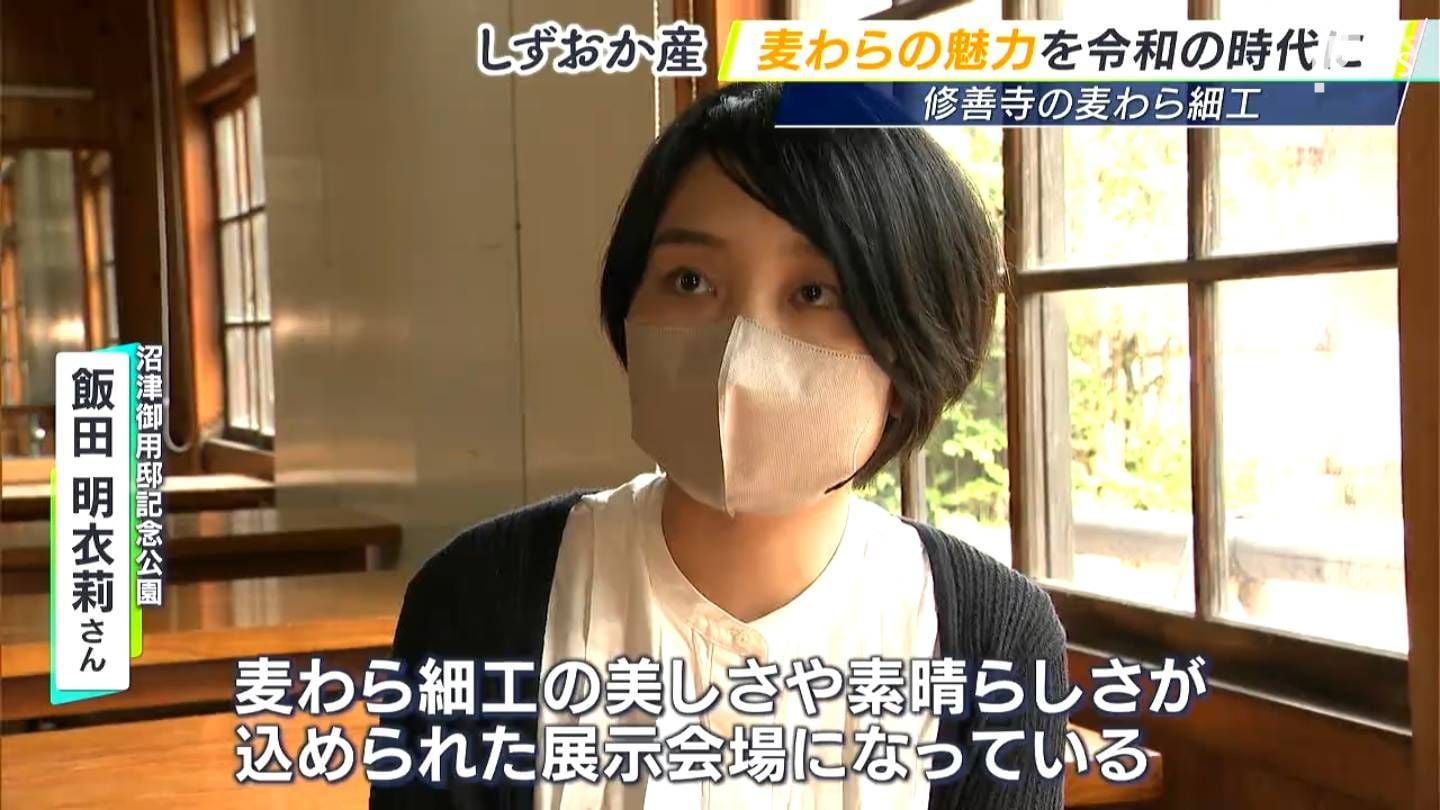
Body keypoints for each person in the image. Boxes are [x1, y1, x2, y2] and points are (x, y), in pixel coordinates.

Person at [371, 81, 1067, 810]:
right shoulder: (476, 601)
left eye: (815, 292)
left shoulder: (994, 639)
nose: (738, 347)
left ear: (914, 340)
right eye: (690, 280)